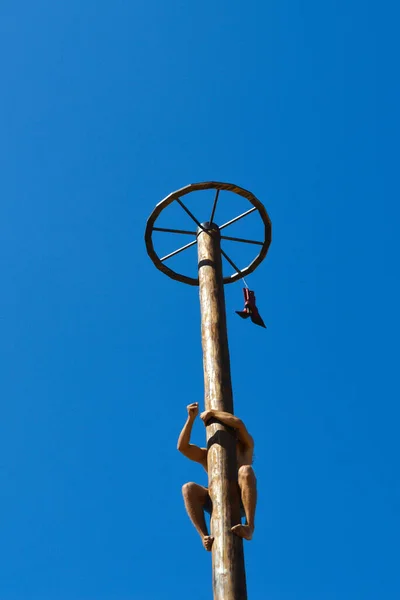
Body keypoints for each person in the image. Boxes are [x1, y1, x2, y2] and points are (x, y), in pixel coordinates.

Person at [177, 402, 257, 551]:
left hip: (239, 498)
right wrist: (191, 418)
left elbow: (239, 424)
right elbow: (183, 447)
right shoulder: (209, 454)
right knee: (188, 488)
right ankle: (204, 536)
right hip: (215, 497)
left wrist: (213, 413)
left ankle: (249, 527)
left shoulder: (245, 447)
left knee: (245, 470)